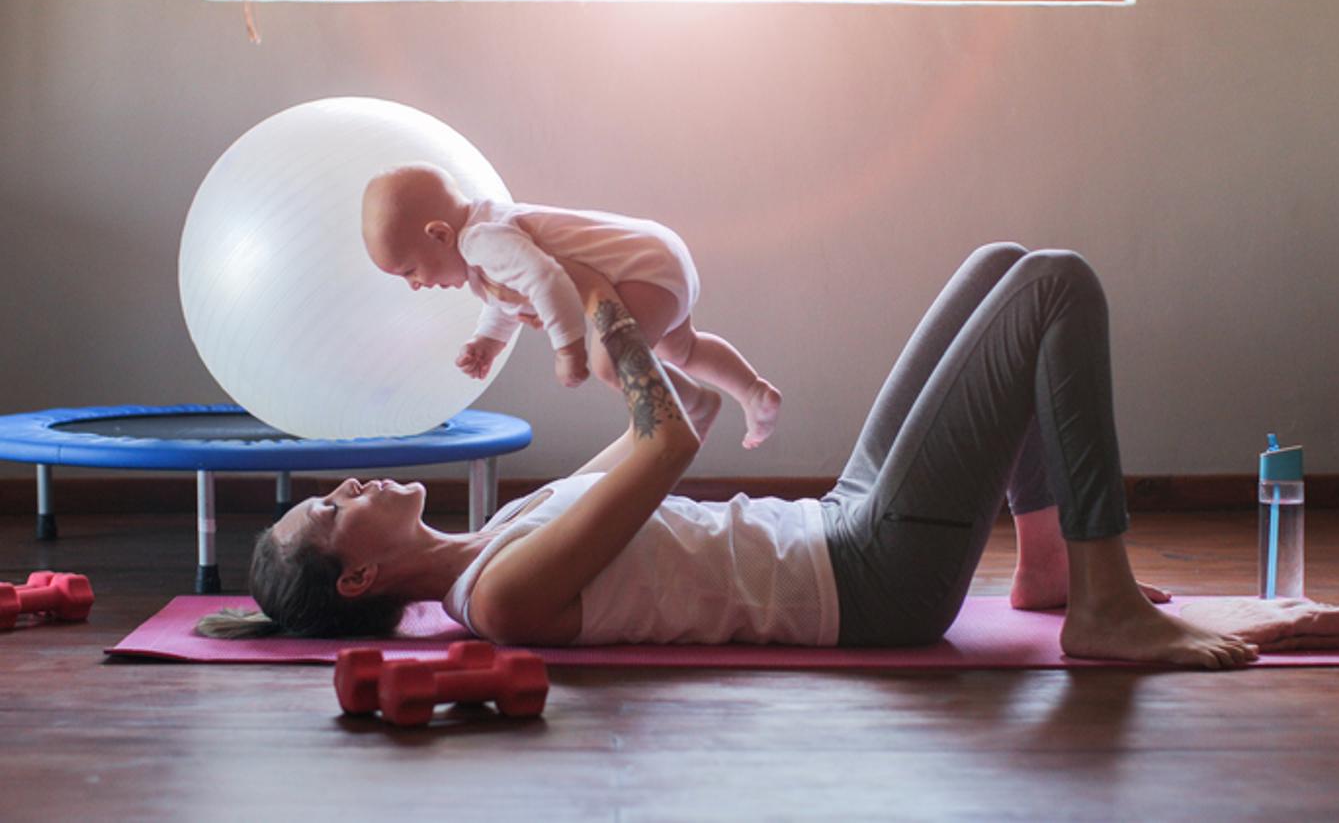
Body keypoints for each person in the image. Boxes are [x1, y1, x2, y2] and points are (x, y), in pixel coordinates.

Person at [198, 244, 1258, 670]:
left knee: (1005, 268)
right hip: (871, 578)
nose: (345, 486)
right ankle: (1104, 609)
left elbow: (665, 422)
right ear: (361, 577)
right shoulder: (501, 597)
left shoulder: (497, 535)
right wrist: (588, 295)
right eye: (333, 511)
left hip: (838, 524)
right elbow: (664, 448)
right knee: (1056, 287)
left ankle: (1047, 569)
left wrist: (654, 329)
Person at [360, 163, 782, 449]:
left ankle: (694, 402)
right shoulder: (482, 246)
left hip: (640, 269)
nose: (415, 286)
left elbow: (547, 280)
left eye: (409, 271)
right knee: (683, 348)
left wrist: (568, 350)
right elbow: (506, 295)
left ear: (439, 235)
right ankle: (753, 392)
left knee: (609, 363)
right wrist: (487, 342)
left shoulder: (481, 241)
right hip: (656, 253)